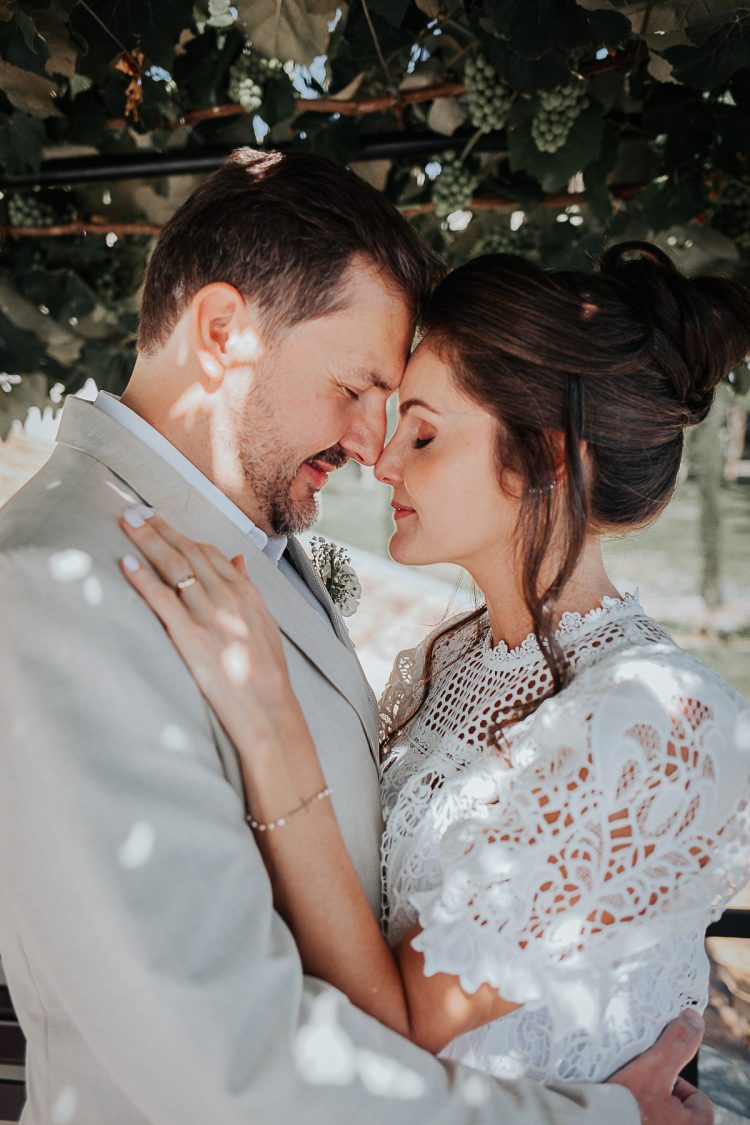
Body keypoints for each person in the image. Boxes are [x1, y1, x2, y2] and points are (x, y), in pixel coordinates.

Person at [0, 146, 709, 1125]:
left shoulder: (244, 548)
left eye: (411, 418)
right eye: (359, 388)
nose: (374, 447)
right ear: (222, 334)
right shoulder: (58, 591)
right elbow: (231, 1064)